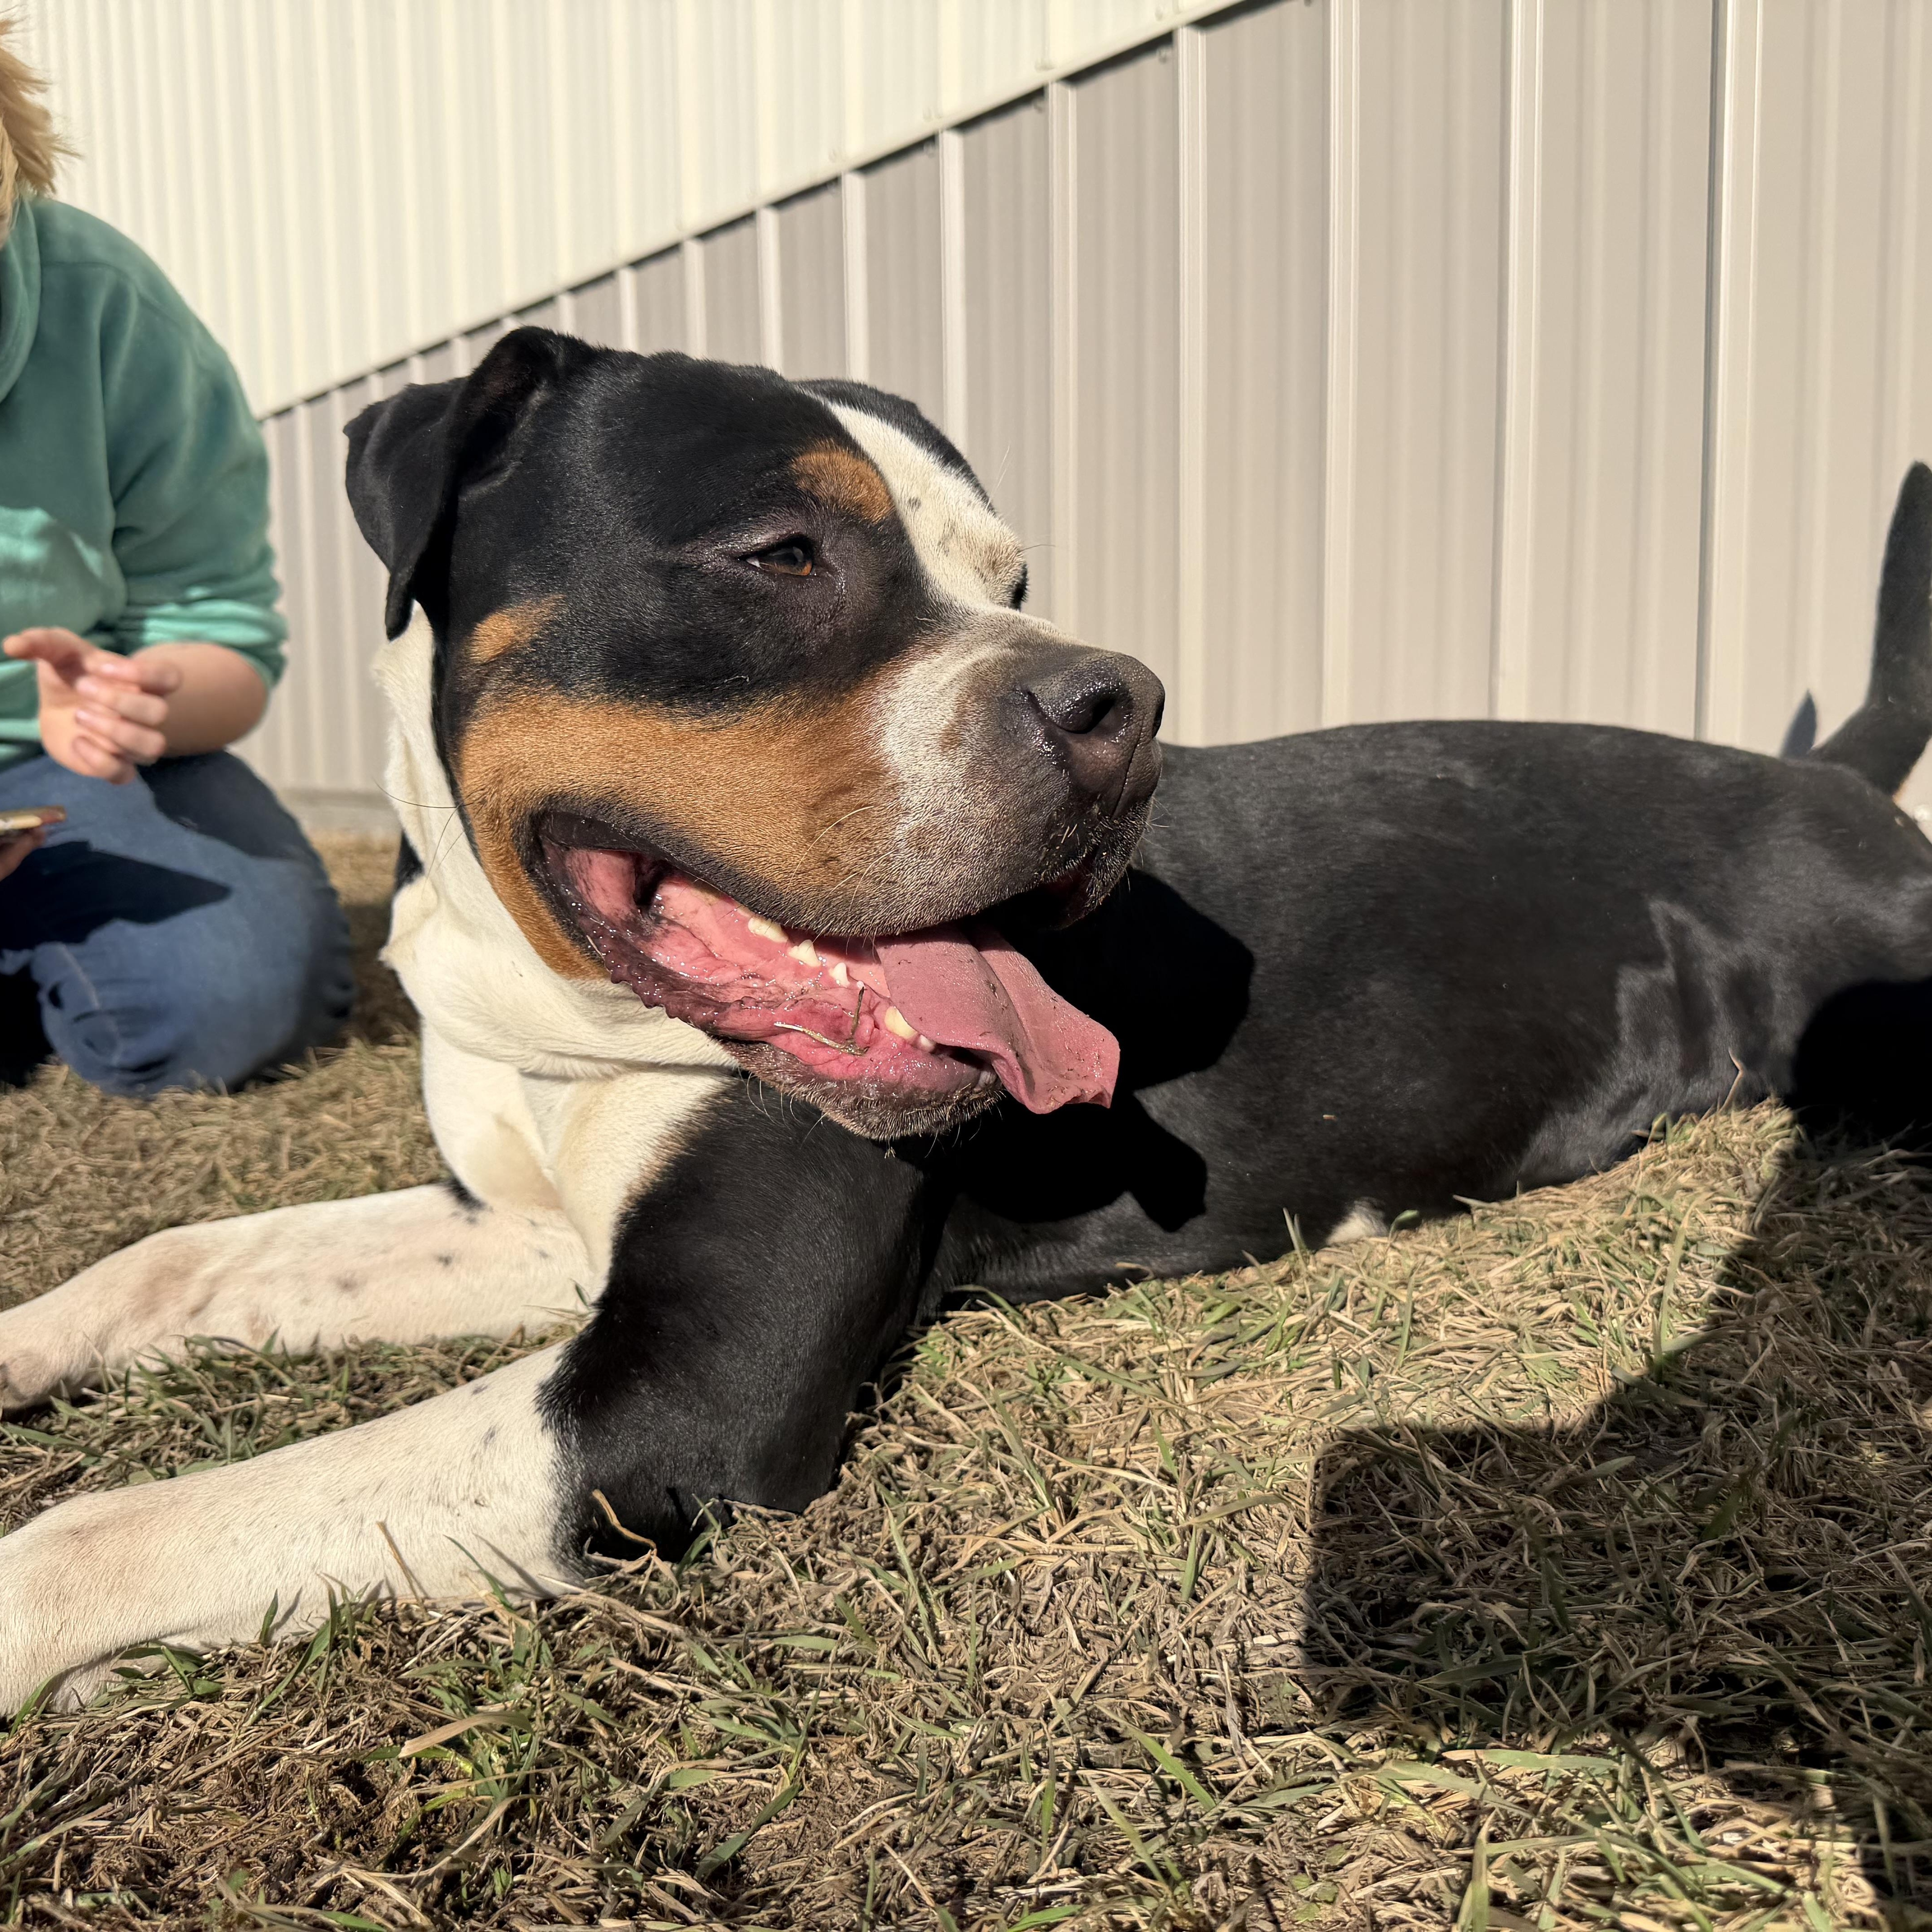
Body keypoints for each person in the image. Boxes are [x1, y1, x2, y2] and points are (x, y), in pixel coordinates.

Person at [0, 26, 351, 1095]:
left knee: (234, 1000)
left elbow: (221, 627)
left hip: (67, 774)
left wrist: (132, 699)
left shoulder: (102, 301)